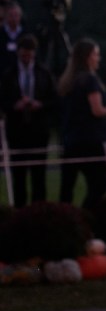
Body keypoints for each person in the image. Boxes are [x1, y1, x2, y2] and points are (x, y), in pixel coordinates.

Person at [0, 34, 58, 206]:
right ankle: (19, 212)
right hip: (17, 131)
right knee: (19, 177)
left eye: (29, 55)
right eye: (23, 54)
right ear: (18, 52)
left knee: (39, 176)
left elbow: (54, 99)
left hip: (38, 131)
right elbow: (3, 100)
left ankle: (38, 211)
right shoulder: (9, 74)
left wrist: (39, 104)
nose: (26, 58)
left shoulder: (44, 72)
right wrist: (14, 105)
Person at [57, 39, 106, 209]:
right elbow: (97, 110)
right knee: (100, 185)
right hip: (89, 140)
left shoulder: (68, 81)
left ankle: (63, 219)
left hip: (70, 139)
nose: (98, 58)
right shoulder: (89, 80)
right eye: (96, 54)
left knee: (67, 187)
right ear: (88, 57)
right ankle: (85, 216)